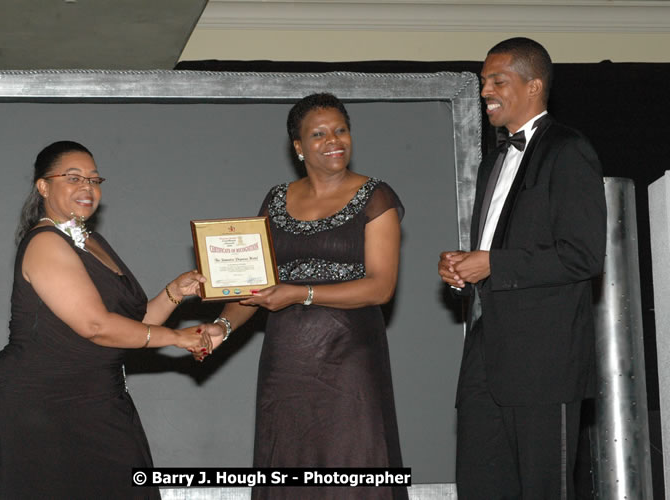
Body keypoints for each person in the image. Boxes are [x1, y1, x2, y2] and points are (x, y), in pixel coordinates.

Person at [198, 93, 407, 499]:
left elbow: (381, 287)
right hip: (288, 364)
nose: (334, 140)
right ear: (298, 147)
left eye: (341, 130)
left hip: (350, 362)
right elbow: (252, 285)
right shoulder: (275, 200)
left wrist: (301, 293)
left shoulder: (376, 196)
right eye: (319, 134)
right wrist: (221, 328)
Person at [0, 141, 212, 499]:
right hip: (41, 400)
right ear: (43, 186)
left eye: (94, 179)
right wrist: (178, 338)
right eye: (73, 178)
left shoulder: (91, 241)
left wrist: (174, 292)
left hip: (96, 394)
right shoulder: (46, 243)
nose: (87, 187)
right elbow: (96, 326)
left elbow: (132, 323)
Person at [438, 38, 606, 499]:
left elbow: (583, 255)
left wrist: (491, 263)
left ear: (533, 86)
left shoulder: (568, 150)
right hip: (485, 360)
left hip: (543, 365)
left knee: (542, 490)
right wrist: (463, 269)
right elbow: (498, 246)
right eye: (482, 82)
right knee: (482, 485)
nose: (484, 90)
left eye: (497, 80)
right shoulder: (494, 159)